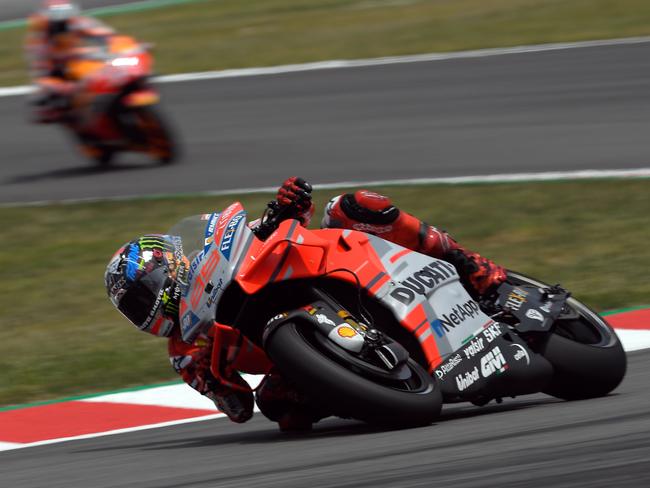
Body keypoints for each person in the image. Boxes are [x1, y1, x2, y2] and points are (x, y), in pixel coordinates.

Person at [105, 177, 507, 430]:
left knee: (354, 205)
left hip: (322, 267)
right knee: (281, 409)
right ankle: (370, 390)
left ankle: (464, 262)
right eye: (134, 309)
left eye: (144, 294)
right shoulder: (184, 353)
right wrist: (218, 374)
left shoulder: (210, 262)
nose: (146, 309)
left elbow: (272, 226)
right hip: (293, 354)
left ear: (170, 267)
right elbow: (238, 407)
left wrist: (287, 205)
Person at [25, 1, 115, 122]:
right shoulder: (39, 36)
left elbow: (106, 34)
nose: (62, 26)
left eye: (65, 21)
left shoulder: (77, 21)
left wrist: (116, 44)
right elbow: (41, 64)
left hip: (82, 63)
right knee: (48, 98)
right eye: (57, 23)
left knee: (110, 71)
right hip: (57, 72)